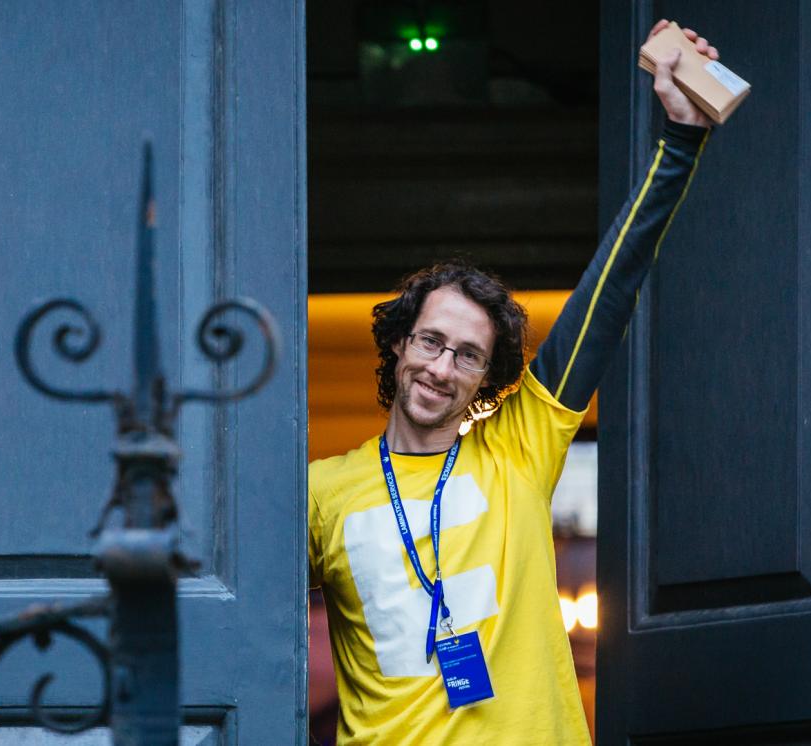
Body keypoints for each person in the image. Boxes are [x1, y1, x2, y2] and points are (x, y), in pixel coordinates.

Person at [308, 20, 720, 744]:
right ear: (400, 342)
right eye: (431, 341)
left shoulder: (517, 452)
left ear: (484, 381)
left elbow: (608, 294)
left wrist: (679, 143)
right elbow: (234, 628)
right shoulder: (321, 493)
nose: (441, 366)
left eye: (467, 356)